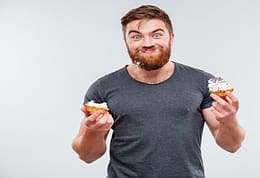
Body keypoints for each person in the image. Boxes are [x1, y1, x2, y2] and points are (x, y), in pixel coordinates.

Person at [72, 4, 245, 178]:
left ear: (171, 38)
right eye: (136, 37)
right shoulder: (103, 88)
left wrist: (229, 120)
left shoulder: (201, 82)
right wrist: (93, 131)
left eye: (156, 35)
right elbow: (87, 156)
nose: (147, 43)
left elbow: (232, 145)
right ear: (126, 41)